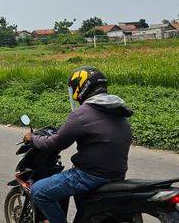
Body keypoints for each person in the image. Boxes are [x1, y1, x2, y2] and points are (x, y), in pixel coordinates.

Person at [24, 66, 133, 223]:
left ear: (82, 86)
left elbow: (56, 143)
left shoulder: (82, 113)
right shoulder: (118, 110)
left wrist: (33, 139)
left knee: (39, 191)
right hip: (117, 174)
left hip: (89, 175)